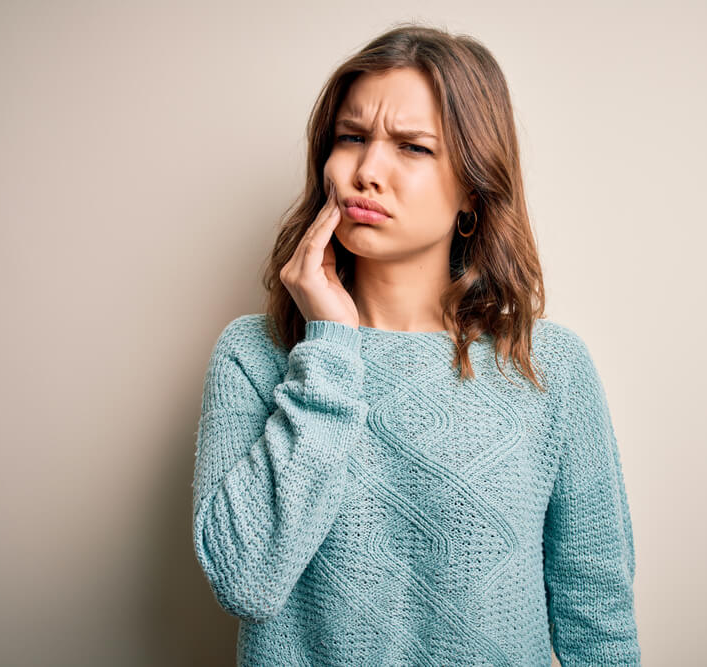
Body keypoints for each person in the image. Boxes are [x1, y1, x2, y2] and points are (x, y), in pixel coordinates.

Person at [192, 22, 641, 666]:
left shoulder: (550, 369)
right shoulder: (255, 355)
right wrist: (329, 349)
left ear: (472, 192)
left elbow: (598, 623)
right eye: (352, 138)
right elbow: (245, 578)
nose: (367, 171)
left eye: (412, 147)